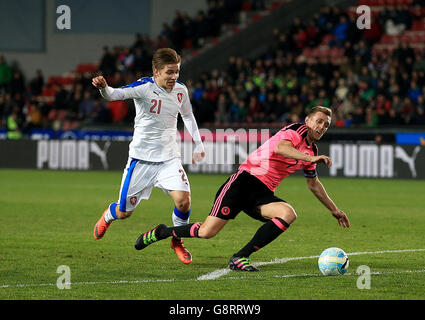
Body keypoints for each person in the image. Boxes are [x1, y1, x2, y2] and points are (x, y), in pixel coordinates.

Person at [134, 106, 350, 271]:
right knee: (207, 232)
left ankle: (240, 256)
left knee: (288, 214)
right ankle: (162, 232)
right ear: (308, 120)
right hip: (243, 182)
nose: (321, 127)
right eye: (319, 121)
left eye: (326, 125)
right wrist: (310, 157)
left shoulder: (312, 149)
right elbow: (281, 148)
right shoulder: (296, 131)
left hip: (262, 194)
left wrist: (334, 209)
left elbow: (313, 183)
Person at [92, 48, 205, 265]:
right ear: (156, 71)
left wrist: (198, 144)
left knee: (183, 201)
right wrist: (104, 88)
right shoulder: (144, 87)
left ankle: (177, 240)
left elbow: (188, 116)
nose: (174, 77)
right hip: (141, 161)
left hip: (169, 160)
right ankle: (108, 215)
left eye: (177, 72)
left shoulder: (181, 90)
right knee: (124, 212)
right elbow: (114, 94)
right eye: (169, 72)